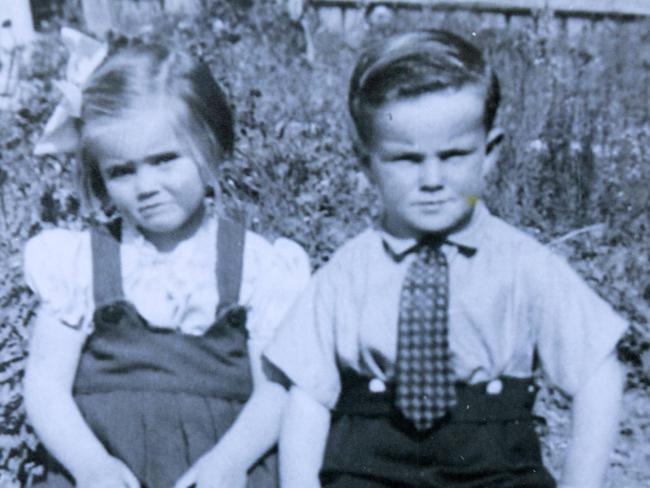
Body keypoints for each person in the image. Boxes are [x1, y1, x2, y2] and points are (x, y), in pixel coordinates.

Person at [264, 29, 627, 488]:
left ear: (489, 152)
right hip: (370, 465)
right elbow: (309, 394)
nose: (432, 179)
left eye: (454, 155)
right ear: (366, 161)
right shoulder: (348, 270)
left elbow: (598, 370)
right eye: (405, 159)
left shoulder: (523, 264)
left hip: (495, 466)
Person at [23, 38, 310, 488]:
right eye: (122, 171)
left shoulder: (256, 266)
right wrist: (90, 466)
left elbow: (274, 390)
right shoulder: (79, 263)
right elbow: (44, 385)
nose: (146, 186)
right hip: (106, 466)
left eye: (164, 161)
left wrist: (231, 462)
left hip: (216, 468)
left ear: (211, 148)